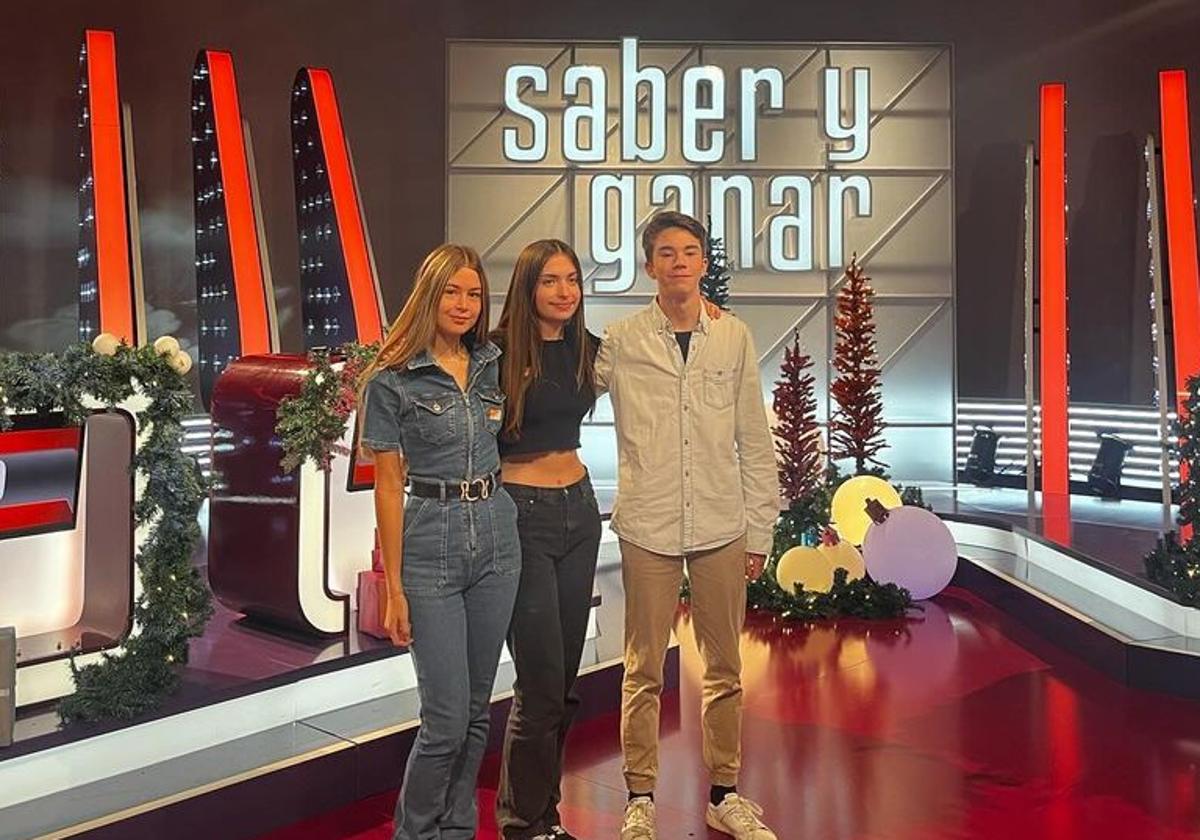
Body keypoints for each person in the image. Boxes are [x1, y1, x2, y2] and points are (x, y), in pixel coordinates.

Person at [595, 212, 781, 840]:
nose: (679, 261)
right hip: (646, 523)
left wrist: (761, 530)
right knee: (643, 666)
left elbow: (754, 440)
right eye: (666, 252)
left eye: (691, 251)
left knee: (724, 667)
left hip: (721, 524)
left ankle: (725, 793)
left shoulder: (733, 337)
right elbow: (561, 394)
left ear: (704, 263)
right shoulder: (619, 339)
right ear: (649, 266)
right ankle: (640, 796)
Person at [358, 243, 521, 840]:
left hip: (499, 539)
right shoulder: (393, 378)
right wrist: (395, 589)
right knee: (446, 720)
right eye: (452, 291)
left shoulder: (491, 363)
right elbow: (387, 486)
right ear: (429, 294)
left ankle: (456, 831)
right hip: (432, 541)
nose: (464, 304)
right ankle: (415, 832)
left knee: (478, 713)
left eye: (474, 294)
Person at [491, 239, 602, 840]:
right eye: (549, 281)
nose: (564, 291)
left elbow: (655, 355)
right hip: (521, 516)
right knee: (538, 684)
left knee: (562, 684)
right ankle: (521, 824)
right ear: (527, 287)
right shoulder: (496, 352)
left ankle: (545, 816)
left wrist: (704, 311)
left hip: (580, 512)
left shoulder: (588, 351)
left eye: (572, 280)